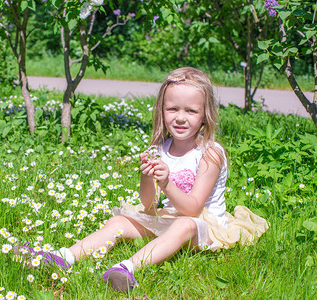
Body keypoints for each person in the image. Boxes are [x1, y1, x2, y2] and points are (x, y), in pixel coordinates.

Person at [14, 67, 269, 293]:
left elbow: (192, 209)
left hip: (202, 227)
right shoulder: (160, 147)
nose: (180, 117)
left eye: (191, 111)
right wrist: (147, 177)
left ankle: (126, 268)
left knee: (184, 226)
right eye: (172, 109)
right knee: (119, 221)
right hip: (169, 218)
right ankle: (63, 257)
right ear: (162, 110)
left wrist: (167, 183)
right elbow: (148, 205)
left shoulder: (211, 153)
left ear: (205, 114)